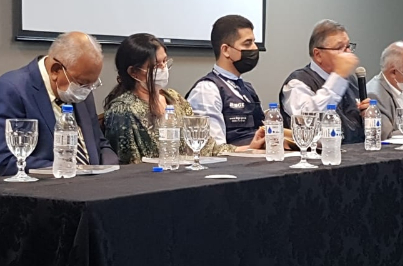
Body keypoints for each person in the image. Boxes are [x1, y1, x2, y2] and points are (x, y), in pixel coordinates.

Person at [104, 33, 264, 164]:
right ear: (134, 72)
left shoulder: (174, 98)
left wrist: (249, 148)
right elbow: (129, 164)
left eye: (165, 62)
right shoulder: (123, 110)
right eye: (156, 65)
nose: (163, 68)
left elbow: (207, 148)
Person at [0, 31, 118, 176]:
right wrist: (71, 169)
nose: (87, 90)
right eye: (83, 83)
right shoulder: (12, 90)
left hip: (95, 185)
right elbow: (5, 160)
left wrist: (108, 167)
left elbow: (100, 143)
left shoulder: (82, 90)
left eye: (92, 84)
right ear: (55, 70)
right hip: (46, 186)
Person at [279, 19, 369, 144]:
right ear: (318, 54)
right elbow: (309, 124)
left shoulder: (350, 81)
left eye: (348, 47)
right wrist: (338, 77)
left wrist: (367, 115)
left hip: (356, 150)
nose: (348, 53)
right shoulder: (297, 83)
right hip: (320, 153)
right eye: (340, 48)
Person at [186, 15, 264, 146]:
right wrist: (251, 149)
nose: (254, 48)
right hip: (235, 158)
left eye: (254, 42)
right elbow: (214, 148)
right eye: (247, 43)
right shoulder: (207, 90)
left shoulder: (247, 88)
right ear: (226, 50)